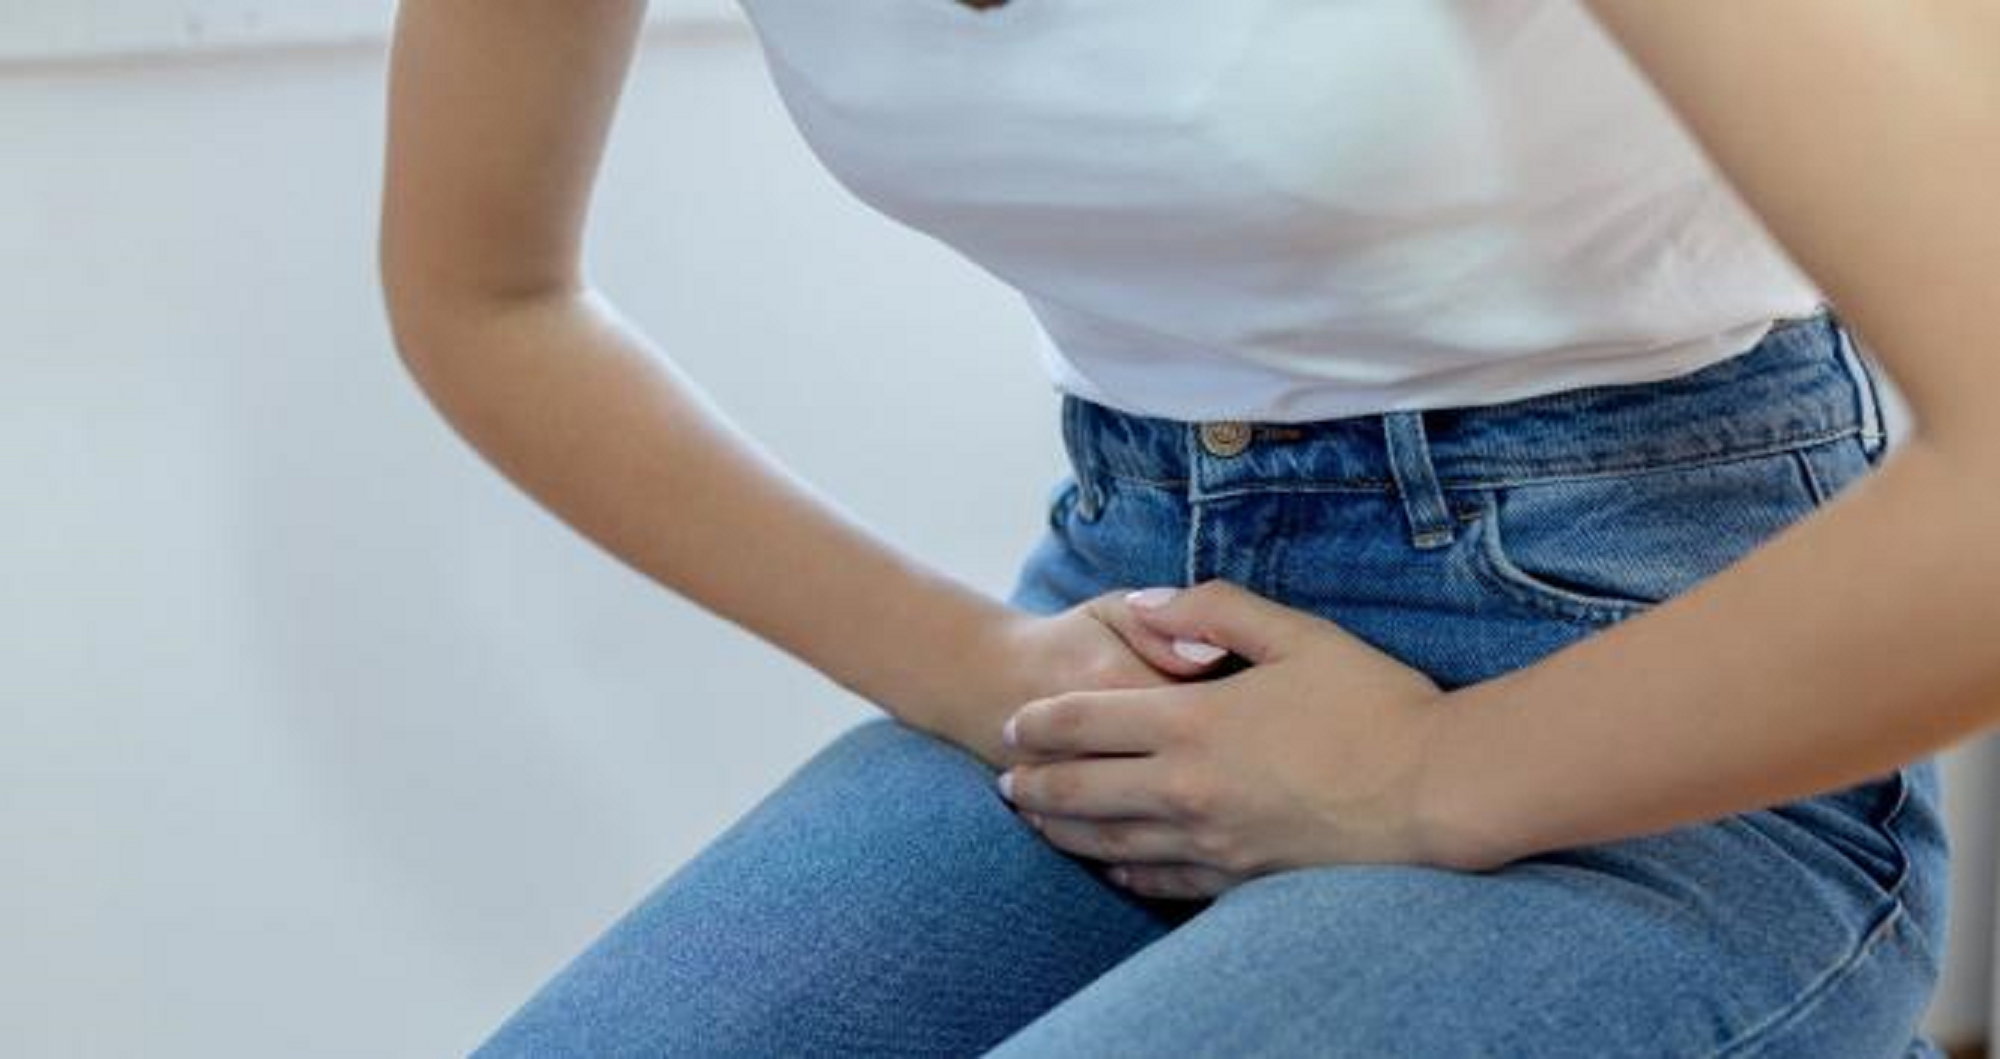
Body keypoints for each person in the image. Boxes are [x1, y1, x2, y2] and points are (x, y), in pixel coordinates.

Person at [378, 2, 2000, 1055]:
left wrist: (1428, 780)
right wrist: (971, 658)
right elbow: (488, 296)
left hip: (1658, 676)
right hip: (1146, 610)